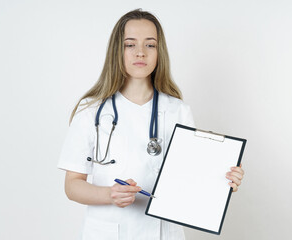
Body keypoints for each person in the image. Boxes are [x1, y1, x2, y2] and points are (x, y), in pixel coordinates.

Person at [58, 9, 244, 240]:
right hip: (108, 231)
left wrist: (223, 182)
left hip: (163, 232)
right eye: (130, 44)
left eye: (150, 45)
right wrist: (110, 194)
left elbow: (192, 179)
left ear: (159, 52)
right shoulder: (91, 110)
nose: (140, 53)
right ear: (117, 50)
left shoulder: (178, 111)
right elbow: (72, 185)